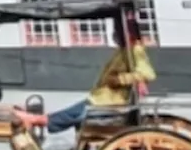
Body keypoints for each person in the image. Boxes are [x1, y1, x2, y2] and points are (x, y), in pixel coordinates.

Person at [15, 24, 156, 135]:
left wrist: (118, 79)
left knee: (75, 113)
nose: (114, 35)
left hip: (110, 102)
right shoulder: (124, 50)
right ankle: (38, 119)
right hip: (103, 97)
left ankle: (36, 119)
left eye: (117, 31)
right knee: (74, 111)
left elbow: (148, 74)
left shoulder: (135, 49)